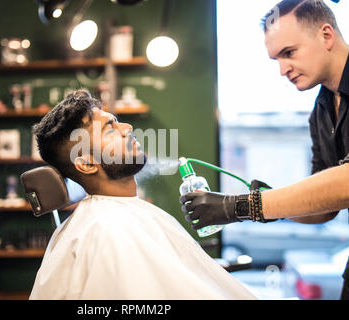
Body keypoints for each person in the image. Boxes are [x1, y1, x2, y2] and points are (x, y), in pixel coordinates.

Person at [180, 0, 349, 299]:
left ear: (326, 35)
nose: (283, 69)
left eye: (289, 53)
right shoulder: (321, 111)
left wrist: (242, 205)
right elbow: (325, 209)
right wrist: (268, 206)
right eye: (276, 59)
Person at [29, 89, 257, 300]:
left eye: (116, 121)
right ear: (87, 163)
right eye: (110, 128)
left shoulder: (114, 217)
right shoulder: (108, 230)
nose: (126, 127)